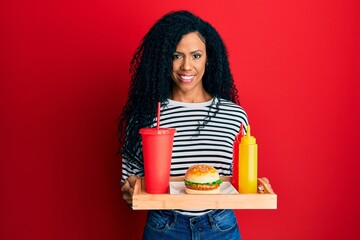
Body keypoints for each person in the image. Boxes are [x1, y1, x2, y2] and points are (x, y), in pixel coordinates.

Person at [119, 10, 248, 240]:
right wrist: (130, 191)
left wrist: (255, 183)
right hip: (164, 226)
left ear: (209, 58)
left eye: (196, 55)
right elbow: (131, 186)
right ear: (163, 59)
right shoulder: (145, 117)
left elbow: (239, 181)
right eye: (176, 55)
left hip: (220, 227)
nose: (186, 66)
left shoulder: (235, 117)